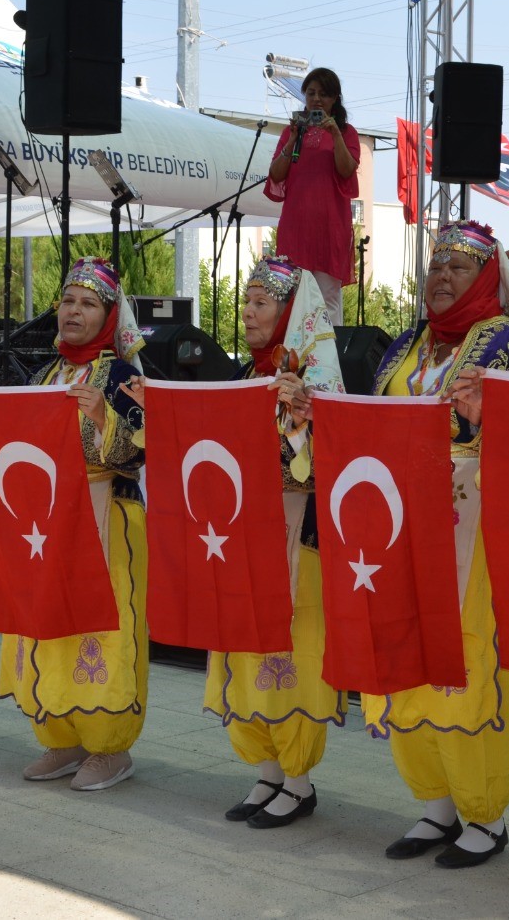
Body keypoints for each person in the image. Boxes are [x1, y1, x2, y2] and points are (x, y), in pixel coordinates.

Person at [363, 219, 509, 869]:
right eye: (435, 264)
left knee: (467, 663)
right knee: (408, 656)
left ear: (487, 278)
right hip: (399, 525)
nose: (441, 276)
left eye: (458, 267)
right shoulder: (406, 344)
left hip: (475, 530)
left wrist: (490, 418)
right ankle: (435, 802)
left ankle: (485, 813)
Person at [0, 258, 149, 791]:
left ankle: (109, 747)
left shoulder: (124, 375)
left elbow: (142, 452)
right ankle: (62, 737)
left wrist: (103, 416)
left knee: (104, 627)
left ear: (109, 316)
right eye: (69, 301)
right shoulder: (44, 375)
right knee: (48, 623)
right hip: (47, 527)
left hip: (106, 517)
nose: (75, 311)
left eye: (89, 303)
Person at [202, 255, 348, 829]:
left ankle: (298, 780)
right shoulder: (246, 376)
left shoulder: (314, 384)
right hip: (244, 537)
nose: (248, 312)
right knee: (244, 644)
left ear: (290, 312)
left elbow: (319, 469)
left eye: (261, 302)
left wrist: (299, 417)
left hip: (298, 539)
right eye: (247, 301)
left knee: (292, 650)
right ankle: (264, 770)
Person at [265, 67, 359, 325]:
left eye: (324, 94)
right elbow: (275, 173)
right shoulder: (292, 132)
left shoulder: (346, 132)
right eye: (311, 93)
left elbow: (347, 169)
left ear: (335, 98)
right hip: (296, 225)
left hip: (329, 227)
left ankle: (329, 361)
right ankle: (294, 361)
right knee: (292, 296)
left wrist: (335, 134)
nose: (316, 99)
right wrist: (292, 139)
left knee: (327, 297)